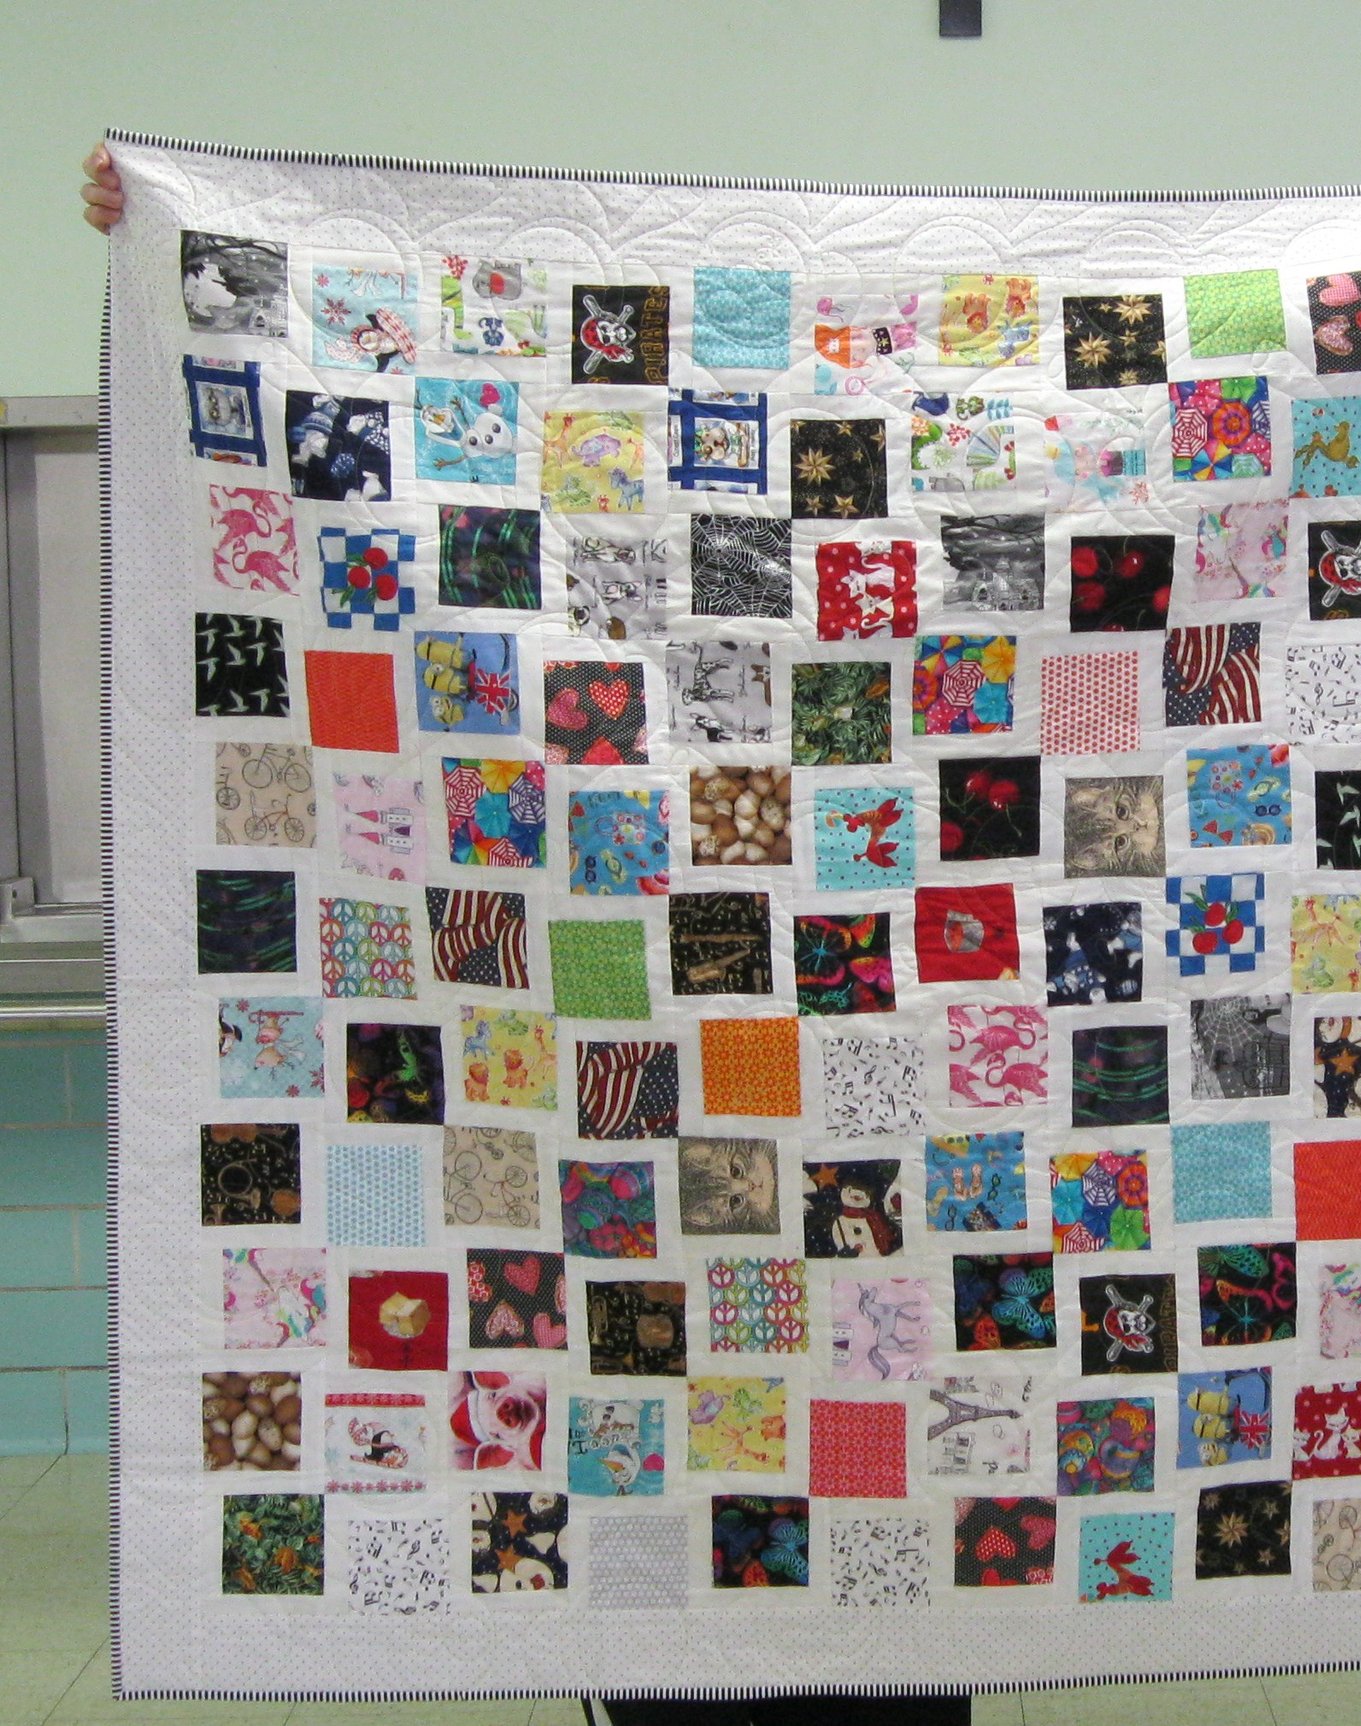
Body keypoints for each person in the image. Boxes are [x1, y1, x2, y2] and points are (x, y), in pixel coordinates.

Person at [80, 139, 971, 1726]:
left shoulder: (870, 702)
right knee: (656, 1555)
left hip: (847, 1156)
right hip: (624, 1161)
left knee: (874, 1565)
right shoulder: (580, 706)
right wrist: (174, 248)